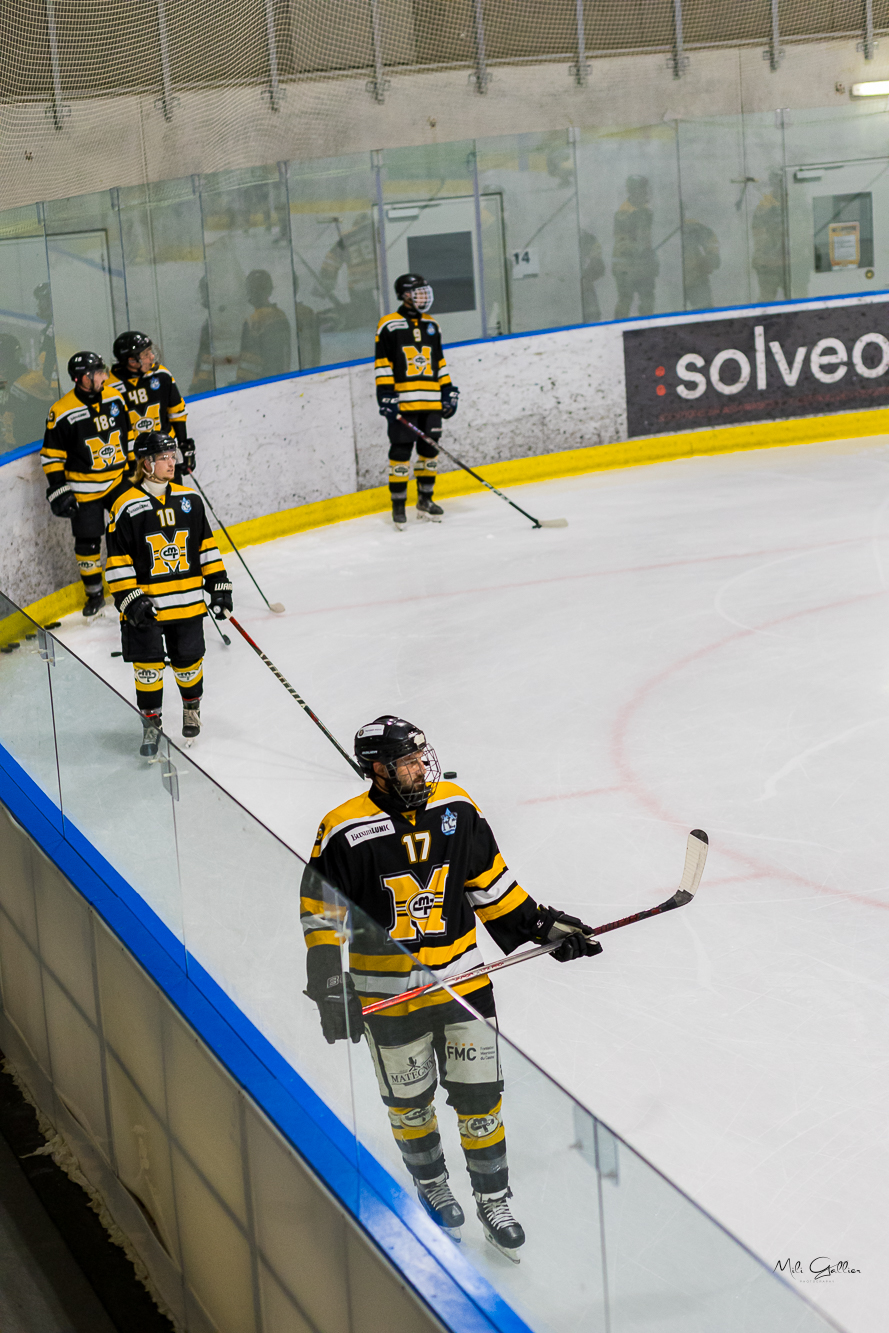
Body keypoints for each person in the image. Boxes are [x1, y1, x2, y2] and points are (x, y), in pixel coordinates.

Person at [301, 716, 601, 1258]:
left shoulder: (456, 808)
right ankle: (433, 1184)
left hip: (463, 984)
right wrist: (327, 983)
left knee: (481, 1102)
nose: (422, 768)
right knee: (410, 1105)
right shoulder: (343, 829)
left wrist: (542, 926)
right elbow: (321, 913)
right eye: (408, 762)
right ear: (378, 769)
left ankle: (494, 1199)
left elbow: (491, 886)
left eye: (422, 757)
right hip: (389, 996)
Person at [104, 432, 232, 757]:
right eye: (164, 457)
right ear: (146, 463)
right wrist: (131, 600)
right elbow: (118, 560)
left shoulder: (190, 500)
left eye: (172, 456)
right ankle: (151, 724)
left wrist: (219, 584)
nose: (172, 462)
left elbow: (205, 547)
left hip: (187, 604)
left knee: (189, 664)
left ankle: (191, 709)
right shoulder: (125, 505)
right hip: (147, 608)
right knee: (147, 669)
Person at [40, 352, 132, 616]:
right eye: (98, 373)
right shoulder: (62, 411)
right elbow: (52, 456)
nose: (104, 376)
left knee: (132, 531)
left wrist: (134, 470)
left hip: (118, 482)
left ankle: (135, 583)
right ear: (82, 378)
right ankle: (94, 594)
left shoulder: (115, 397)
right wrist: (59, 488)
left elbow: (129, 434)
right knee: (87, 544)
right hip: (84, 490)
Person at [375, 274, 459, 528]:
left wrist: (448, 390)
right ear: (404, 295)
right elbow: (383, 363)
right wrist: (386, 396)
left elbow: (439, 362)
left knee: (429, 451)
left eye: (424, 291)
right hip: (405, 402)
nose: (424, 297)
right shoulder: (389, 325)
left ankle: (425, 500)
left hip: (431, 402)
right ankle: (398, 505)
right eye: (417, 292)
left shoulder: (432, 325)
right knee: (400, 451)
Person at [110, 331, 195, 482]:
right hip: (134, 460)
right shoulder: (108, 388)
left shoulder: (162, 375)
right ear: (131, 360)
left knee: (173, 495)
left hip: (164, 453)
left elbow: (177, 412)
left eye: (150, 351)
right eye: (145, 354)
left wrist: (183, 445)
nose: (152, 357)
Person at [612, 176, 657, 319]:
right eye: (641, 190)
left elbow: (646, 240)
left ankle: (648, 326)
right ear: (633, 191)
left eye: (645, 190)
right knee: (625, 300)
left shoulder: (645, 211)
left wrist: (651, 258)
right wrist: (637, 252)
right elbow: (623, 242)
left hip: (643, 265)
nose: (645, 194)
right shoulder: (624, 214)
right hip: (626, 267)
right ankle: (619, 327)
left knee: (648, 300)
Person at [235, 269, 291, 382]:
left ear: (250, 291)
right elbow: (285, 355)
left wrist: (240, 382)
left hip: (258, 383)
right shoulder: (281, 316)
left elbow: (247, 365)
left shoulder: (252, 321)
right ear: (269, 290)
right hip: (279, 379)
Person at [752, 171, 788, 302]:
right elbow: (758, 235)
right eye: (776, 184)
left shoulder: (797, 203)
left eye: (781, 184)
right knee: (766, 301)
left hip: (794, 263)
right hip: (769, 265)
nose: (779, 187)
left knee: (800, 301)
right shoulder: (764, 206)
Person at [681, 218, 720, 310]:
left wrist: (705, 261)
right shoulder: (662, 226)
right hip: (672, 284)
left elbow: (715, 259)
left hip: (697, 283)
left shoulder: (695, 226)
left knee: (705, 313)